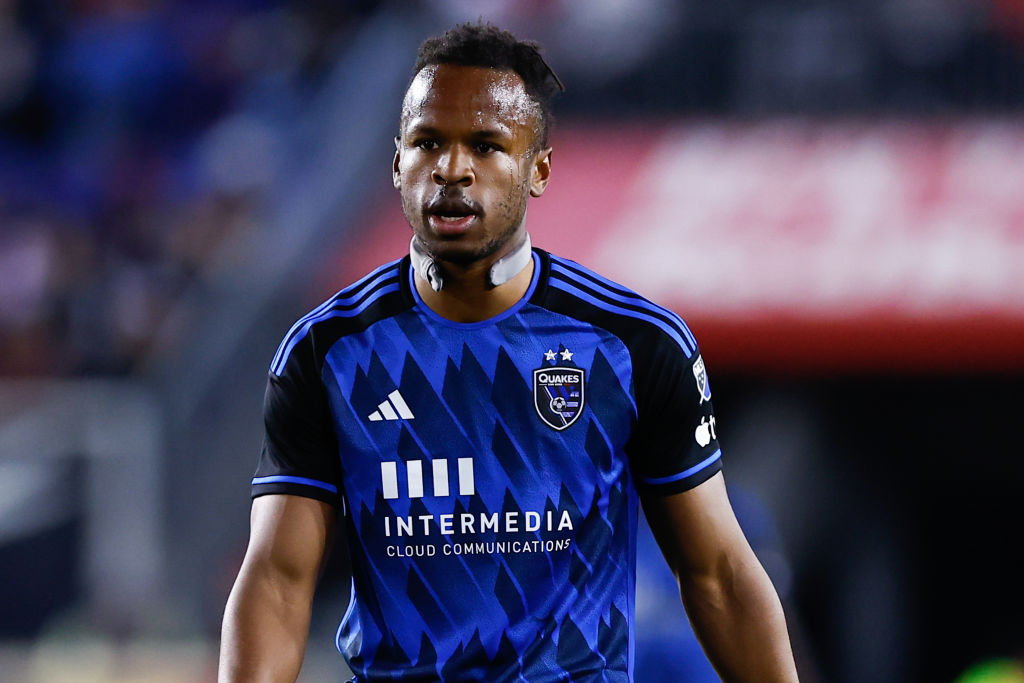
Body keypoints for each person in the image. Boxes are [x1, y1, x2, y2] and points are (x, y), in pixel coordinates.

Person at [219, 22, 800, 683]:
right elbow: (278, 580)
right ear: (397, 162)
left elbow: (718, 573)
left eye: (486, 145)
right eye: (427, 142)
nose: (451, 169)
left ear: (538, 169)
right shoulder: (327, 352)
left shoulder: (633, 345)